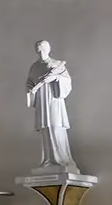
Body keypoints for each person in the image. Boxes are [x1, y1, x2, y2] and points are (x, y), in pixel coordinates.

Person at [26, 40, 77, 172]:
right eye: (37, 48)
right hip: (42, 101)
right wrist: (31, 90)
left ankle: (61, 159)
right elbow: (29, 83)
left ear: (46, 49)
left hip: (54, 99)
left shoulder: (57, 64)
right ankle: (48, 160)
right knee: (45, 129)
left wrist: (56, 78)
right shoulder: (34, 67)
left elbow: (67, 82)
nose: (40, 50)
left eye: (41, 47)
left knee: (55, 126)